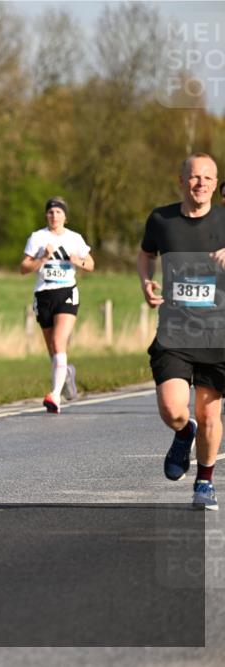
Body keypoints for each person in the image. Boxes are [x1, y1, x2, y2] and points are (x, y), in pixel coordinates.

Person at [138, 152, 225, 511]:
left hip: (218, 333)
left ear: (216, 184)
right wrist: (146, 282)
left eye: (207, 177)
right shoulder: (162, 219)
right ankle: (183, 431)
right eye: (194, 176)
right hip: (175, 330)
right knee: (173, 409)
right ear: (181, 180)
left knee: (209, 414)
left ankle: (204, 483)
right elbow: (146, 255)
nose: (200, 183)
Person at [20, 196, 95, 414]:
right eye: (51, 212)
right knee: (53, 351)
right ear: (46, 215)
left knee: (58, 341)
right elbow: (23, 268)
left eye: (58, 212)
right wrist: (42, 258)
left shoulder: (74, 238)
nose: (54, 216)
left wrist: (78, 261)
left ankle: (54, 395)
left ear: (65, 216)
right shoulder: (37, 237)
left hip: (66, 293)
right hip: (43, 295)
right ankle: (68, 374)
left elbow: (90, 264)